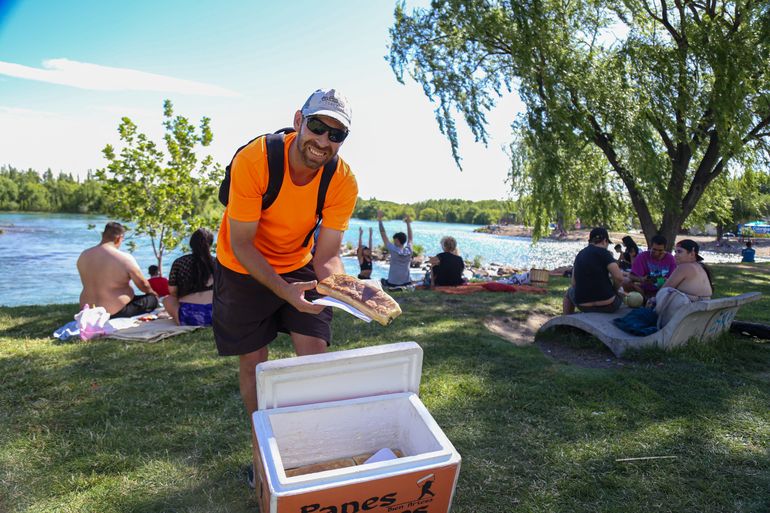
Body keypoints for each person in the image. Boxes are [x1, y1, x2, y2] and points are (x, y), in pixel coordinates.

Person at [211, 88, 357, 487]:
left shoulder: (342, 181)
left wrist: (349, 288)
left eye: (336, 135)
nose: (323, 141)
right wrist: (281, 290)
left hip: (297, 263)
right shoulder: (256, 159)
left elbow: (326, 256)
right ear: (298, 121)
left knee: (315, 360)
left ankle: (310, 453)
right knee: (255, 365)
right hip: (241, 265)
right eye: (317, 127)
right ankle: (263, 457)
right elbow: (242, 244)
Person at [77, 222, 159, 318]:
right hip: (114, 312)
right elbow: (143, 285)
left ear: (103, 235)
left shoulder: (84, 255)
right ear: (119, 238)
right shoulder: (124, 258)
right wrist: (153, 293)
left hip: (88, 311)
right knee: (152, 299)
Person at [563, 228, 625, 314]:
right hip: (609, 305)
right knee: (621, 290)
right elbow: (619, 278)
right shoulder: (605, 253)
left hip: (584, 306)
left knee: (568, 293)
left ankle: (566, 320)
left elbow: (573, 283)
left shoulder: (580, 254)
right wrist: (615, 289)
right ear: (604, 241)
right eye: (608, 244)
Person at [163, 228, 216, 326]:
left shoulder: (179, 262)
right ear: (211, 244)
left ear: (191, 244)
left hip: (189, 316)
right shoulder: (217, 263)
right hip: (217, 315)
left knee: (167, 299)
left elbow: (173, 291)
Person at [622, 234, 676, 299]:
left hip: (663, 291)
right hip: (644, 290)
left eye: (660, 251)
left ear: (665, 248)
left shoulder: (671, 259)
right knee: (625, 281)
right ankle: (644, 300)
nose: (657, 253)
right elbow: (631, 276)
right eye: (654, 250)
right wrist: (642, 279)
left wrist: (661, 281)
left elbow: (674, 280)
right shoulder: (642, 256)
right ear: (650, 247)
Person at [376, 209, 413, 288]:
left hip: (393, 283)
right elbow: (410, 238)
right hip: (406, 283)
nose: (393, 242)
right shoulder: (409, 250)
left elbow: (383, 234)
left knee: (381, 281)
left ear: (397, 241)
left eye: (394, 240)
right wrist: (408, 224)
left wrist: (379, 220)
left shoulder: (393, 250)